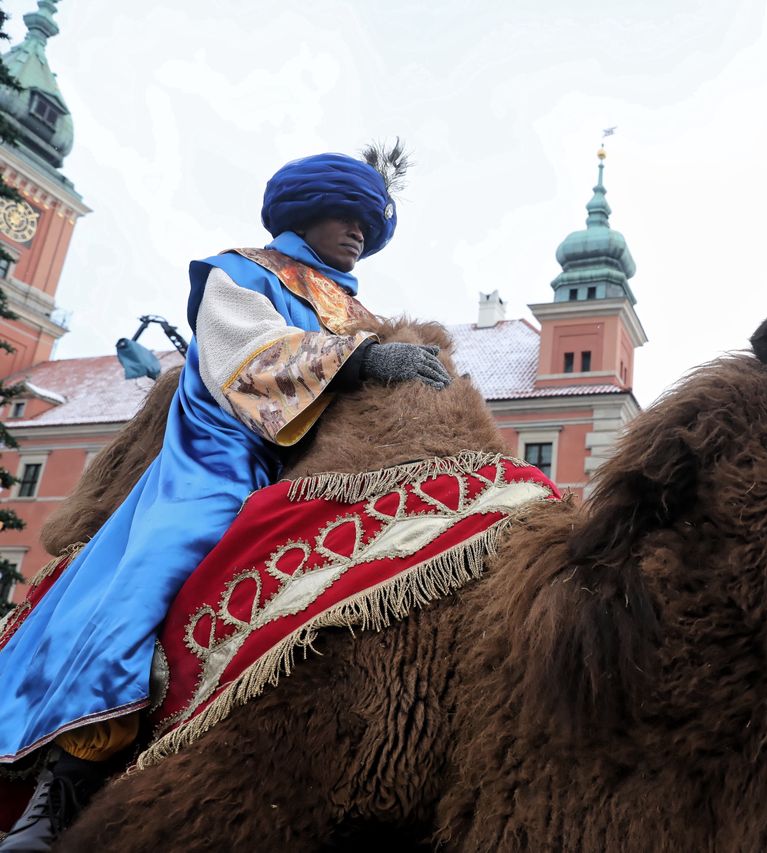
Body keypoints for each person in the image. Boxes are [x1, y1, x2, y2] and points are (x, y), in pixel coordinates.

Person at [0, 148, 449, 849]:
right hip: (223, 457)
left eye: (368, 221)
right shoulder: (239, 272)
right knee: (155, 571)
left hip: (322, 464)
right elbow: (247, 359)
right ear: (307, 211)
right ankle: (63, 785)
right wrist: (360, 359)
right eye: (345, 214)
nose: (358, 231)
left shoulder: (355, 306)